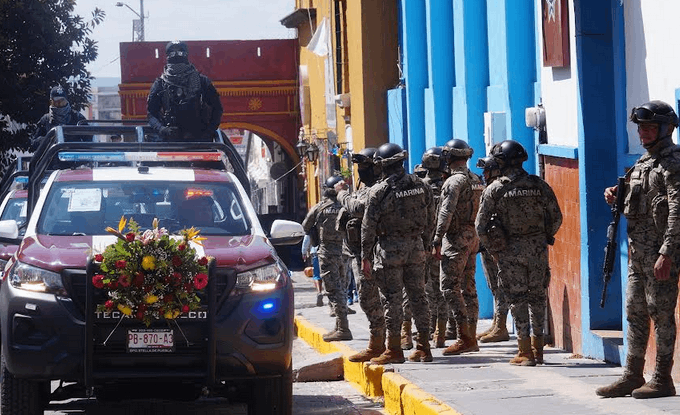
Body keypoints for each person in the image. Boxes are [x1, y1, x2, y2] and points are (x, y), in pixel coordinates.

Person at [596, 100, 680, 399]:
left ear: (666, 129)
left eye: (649, 128)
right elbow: (639, 198)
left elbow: (677, 211)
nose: (643, 133)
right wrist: (615, 193)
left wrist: (667, 253)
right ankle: (632, 375)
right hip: (638, 255)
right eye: (641, 128)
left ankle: (661, 378)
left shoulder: (673, 163)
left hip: (660, 255)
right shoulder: (644, 164)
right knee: (634, 313)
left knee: (661, 315)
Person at [476, 139, 562, 366]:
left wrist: (495, 249)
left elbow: (480, 226)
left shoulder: (495, 188)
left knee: (517, 299)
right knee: (537, 297)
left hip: (509, 252)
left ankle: (524, 352)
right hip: (537, 250)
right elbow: (556, 217)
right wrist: (544, 238)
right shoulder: (538, 184)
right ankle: (538, 349)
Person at [361, 143, 434, 363]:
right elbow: (431, 218)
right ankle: (424, 347)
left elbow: (368, 226)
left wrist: (365, 256)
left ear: (381, 166)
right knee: (419, 297)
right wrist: (427, 245)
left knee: (392, 299)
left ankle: (394, 349)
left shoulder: (379, 191)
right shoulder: (421, 185)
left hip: (390, 250)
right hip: (416, 248)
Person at [432, 139, 484, 356]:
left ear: (449, 158)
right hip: (473, 236)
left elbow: (446, 212)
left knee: (449, 287)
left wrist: (437, 239)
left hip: (456, 238)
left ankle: (465, 338)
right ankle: (471, 335)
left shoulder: (454, 182)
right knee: (469, 287)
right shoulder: (476, 179)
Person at [335, 147, 387, 362]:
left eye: (365, 166)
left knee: (371, 298)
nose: (361, 171)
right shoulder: (365, 188)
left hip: (372, 252)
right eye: (359, 167)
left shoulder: (377, 189)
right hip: (360, 251)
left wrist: (341, 194)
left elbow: (357, 208)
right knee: (370, 298)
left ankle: (380, 344)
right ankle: (383, 342)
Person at [302, 175, 353, 342]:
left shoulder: (320, 208)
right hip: (344, 254)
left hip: (328, 253)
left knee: (333, 290)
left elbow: (305, 226)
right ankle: (339, 326)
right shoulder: (345, 205)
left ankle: (343, 328)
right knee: (343, 289)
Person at [147, 41, 223, 142]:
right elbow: (151, 113)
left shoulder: (202, 82)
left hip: (199, 140)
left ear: (186, 55)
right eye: (173, 53)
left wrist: (208, 132)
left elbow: (217, 109)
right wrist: (162, 129)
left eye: (180, 52)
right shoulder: (160, 84)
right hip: (171, 141)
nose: (177, 56)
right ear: (168, 56)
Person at [475, 150, 510, 343]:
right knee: (493, 286)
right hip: (488, 244)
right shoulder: (490, 188)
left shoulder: (498, 189)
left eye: (486, 170)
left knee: (500, 285)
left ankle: (501, 326)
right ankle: (497, 323)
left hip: (497, 244)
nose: (483, 174)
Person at [420, 146, 451, 348]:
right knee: (447, 288)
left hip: (424, 244)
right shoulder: (451, 185)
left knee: (427, 289)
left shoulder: (419, 186)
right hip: (447, 242)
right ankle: (443, 330)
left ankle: (432, 330)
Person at [30, 86, 90, 152]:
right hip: (51, 160)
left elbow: (89, 141)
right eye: (56, 101)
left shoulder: (78, 118)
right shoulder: (45, 120)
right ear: (51, 101)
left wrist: (71, 143)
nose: (59, 103)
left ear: (66, 100)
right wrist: (48, 140)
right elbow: (33, 144)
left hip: (73, 159)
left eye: (62, 100)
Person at [302, 234, 324, 306]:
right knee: (329, 274)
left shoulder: (312, 223)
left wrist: (304, 252)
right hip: (330, 252)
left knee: (317, 275)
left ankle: (319, 292)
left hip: (316, 252)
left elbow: (307, 238)